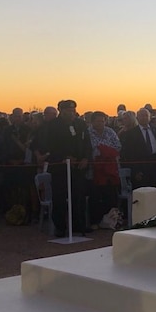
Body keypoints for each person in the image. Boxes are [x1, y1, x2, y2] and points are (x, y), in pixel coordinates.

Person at [33, 100, 91, 236]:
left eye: (73, 110)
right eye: (68, 111)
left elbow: (87, 143)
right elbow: (48, 147)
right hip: (60, 167)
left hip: (78, 167)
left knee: (78, 196)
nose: (71, 113)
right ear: (62, 111)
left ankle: (78, 224)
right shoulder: (52, 126)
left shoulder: (80, 124)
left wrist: (86, 158)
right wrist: (63, 157)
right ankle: (60, 227)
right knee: (59, 197)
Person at [87, 112, 121, 230]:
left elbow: (118, 145)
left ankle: (111, 220)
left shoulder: (110, 131)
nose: (100, 123)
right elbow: (89, 148)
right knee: (95, 196)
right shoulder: (88, 133)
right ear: (92, 122)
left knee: (111, 195)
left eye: (102, 121)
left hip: (110, 170)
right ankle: (95, 221)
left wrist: (106, 152)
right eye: (98, 121)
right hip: (94, 171)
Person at [120, 108, 156, 189]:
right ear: (137, 118)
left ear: (149, 117)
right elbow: (128, 154)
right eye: (141, 116)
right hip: (141, 168)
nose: (144, 118)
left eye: (146, 116)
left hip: (155, 166)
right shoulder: (131, 133)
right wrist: (135, 171)